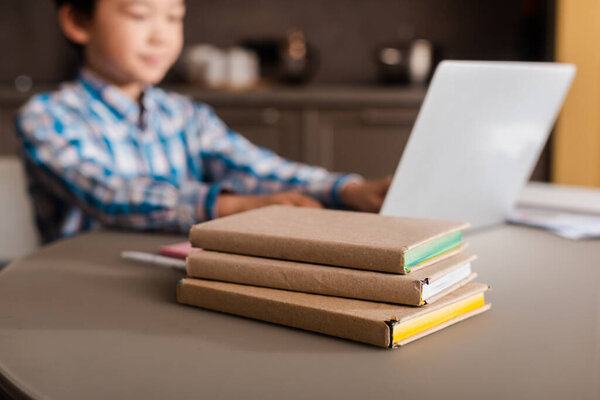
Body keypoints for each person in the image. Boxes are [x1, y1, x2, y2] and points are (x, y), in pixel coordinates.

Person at [16, 0, 392, 244]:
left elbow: (252, 166)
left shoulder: (184, 114)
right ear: (78, 21)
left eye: (174, 17)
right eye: (139, 14)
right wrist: (233, 207)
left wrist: (347, 190)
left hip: (174, 270)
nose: (160, 35)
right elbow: (108, 193)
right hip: (79, 289)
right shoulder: (47, 116)